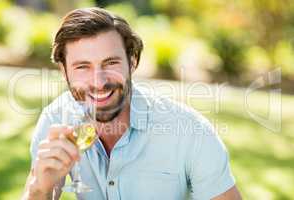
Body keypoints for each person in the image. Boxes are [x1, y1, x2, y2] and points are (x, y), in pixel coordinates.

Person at [22, 7, 242, 200]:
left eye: (110, 63)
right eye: (82, 67)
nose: (98, 82)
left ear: (132, 62)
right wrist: (38, 189)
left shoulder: (191, 134)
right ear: (64, 71)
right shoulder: (56, 121)